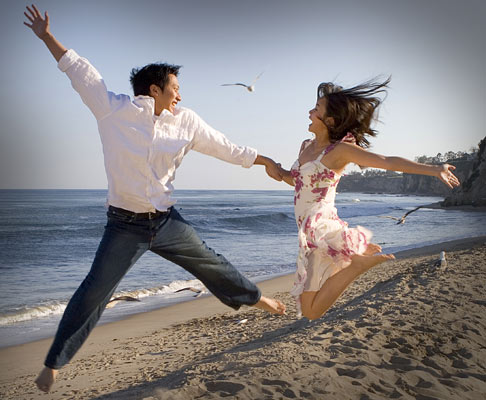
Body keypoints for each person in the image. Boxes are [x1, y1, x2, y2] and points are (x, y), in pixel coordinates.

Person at [23, 4, 286, 393]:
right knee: (95, 290)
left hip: (165, 222)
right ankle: (54, 363)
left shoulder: (187, 121)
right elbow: (80, 72)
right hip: (123, 225)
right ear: (154, 90)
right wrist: (46, 36)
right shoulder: (113, 110)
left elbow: (226, 148)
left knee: (211, 264)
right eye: (175, 88)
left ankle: (256, 298)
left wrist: (266, 162)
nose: (180, 94)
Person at [277, 77, 460, 320]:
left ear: (329, 120)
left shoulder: (339, 151)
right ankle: (358, 261)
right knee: (310, 310)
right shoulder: (305, 146)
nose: (310, 112)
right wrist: (277, 171)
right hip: (307, 230)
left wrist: (433, 169)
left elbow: (386, 162)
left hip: (320, 230)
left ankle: (356, 265)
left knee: (311, 311)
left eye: (316, 109)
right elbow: (300, 181)